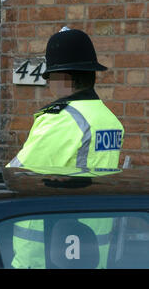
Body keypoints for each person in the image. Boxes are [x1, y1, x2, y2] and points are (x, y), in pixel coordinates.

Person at [7, 28, 125, 269]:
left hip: (48, 252)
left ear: (64, 77)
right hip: (93, 250)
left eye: (50, 76)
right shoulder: (109, 119)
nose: (49, 83)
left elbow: (15, 175)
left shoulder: (63, 119)